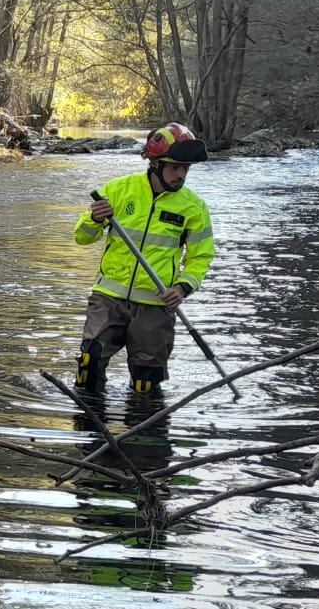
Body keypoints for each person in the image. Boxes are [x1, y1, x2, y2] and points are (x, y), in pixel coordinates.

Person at [73, 123, 216, 402]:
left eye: (186, 168)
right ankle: (88, 427)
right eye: (175, 167)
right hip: (109, 297)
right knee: (90, 360)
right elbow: (82, 238)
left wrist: (184, 287)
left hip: (156, 304)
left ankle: (143, 433)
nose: (181, 175)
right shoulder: (118, 189)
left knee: (146, 381)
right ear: (154, 163)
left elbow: (201, 256)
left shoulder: (194, 208)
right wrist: (94, 219)